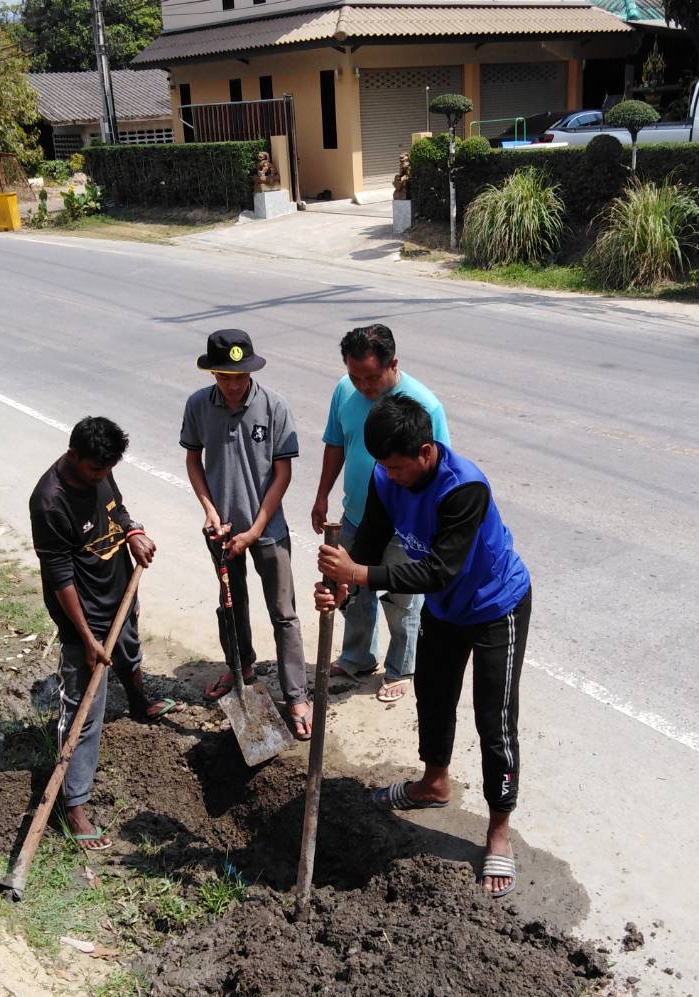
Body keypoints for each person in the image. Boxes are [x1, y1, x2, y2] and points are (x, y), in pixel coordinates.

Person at [316, 394, 531, 896]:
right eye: (383, 467)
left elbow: (440, 570)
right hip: (445, 610)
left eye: (397, 466)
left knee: (494, 719)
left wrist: (359, 571)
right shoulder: (384, 475)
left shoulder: (465, 488)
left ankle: (498, 831)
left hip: (495, 607)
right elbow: (373, 533)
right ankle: (434, 783)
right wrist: (346, 583)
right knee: (434, 698)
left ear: (427, 451)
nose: (390, 475)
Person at [30, 416, 175, 852]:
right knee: (84, 708)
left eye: (109, 468)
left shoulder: (102, 471)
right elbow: (59, 576)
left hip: (118, 588)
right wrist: (87, 639)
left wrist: (133, 533)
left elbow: (117, 508)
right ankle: (72, 804)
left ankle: (138, 702)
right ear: (74, 455)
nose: (103, 475)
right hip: (84, 615)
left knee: (130, 649)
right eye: (97, 469)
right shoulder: (50, 502)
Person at [180, 328, 312, 740]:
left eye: (240, 376)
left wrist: (254, 530)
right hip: (221, 533)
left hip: (267, 530)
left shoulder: (274, 407)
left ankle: (296, 695)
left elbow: (282, 473)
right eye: (224, 376)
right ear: (212, 374)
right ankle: (241, 667)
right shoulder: (198, 405)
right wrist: (210, 511)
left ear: (252, 371)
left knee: (284, 613)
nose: (233, 385)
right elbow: (194, 460)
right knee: (230, 604)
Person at [311, 323, 449, 705]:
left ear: (393, 365)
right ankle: (357, 657)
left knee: (403, 598)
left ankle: (401, 667)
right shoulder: (344, 391)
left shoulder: (424, 406)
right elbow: (335, 445)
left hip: (407, 528)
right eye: (356, 376)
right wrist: (322, 495)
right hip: (357, 515)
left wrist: (428, 527)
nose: (364, 386)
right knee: (352, 591)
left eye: (371, 377)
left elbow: (440, 472)